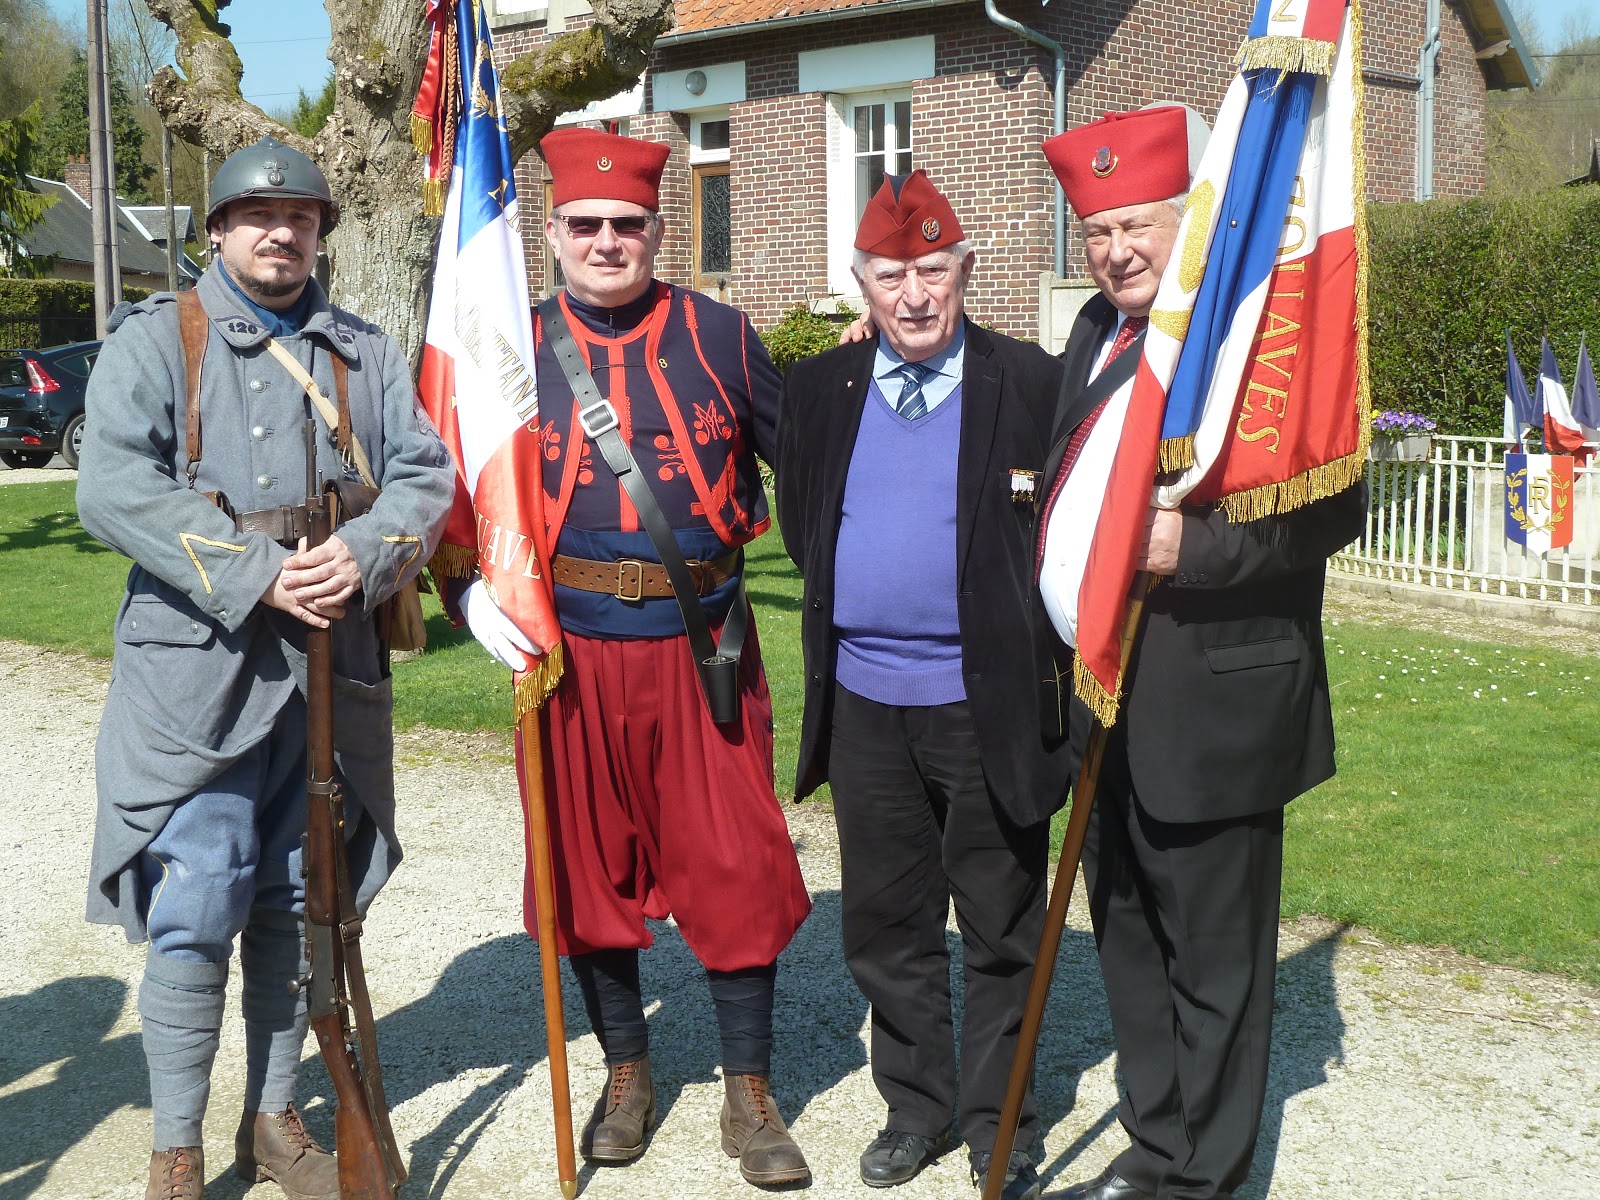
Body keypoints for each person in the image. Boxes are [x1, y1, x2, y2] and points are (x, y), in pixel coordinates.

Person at [78, 136, 455, 1200]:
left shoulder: (363, 349)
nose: (282, 232)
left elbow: (425, 478)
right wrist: (255, 574)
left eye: (302, 218)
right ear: (217, 232)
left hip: (334, 670)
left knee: (306, 898)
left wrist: (369, 553)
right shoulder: (160, 340)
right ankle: (177, 1143)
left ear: (321, 233)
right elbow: (110, 487)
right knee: (199, 901)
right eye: (258, 217)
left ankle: (275, 1115)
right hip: (199, 673)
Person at [453, 126, 813, 1189]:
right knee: (586, 872)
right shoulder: (509, 352)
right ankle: (627, 1074)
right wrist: (467, 584)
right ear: (553, 234)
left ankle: (748, 1093)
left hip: (703, 648)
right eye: (584, 225)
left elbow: (810, 467)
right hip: (569, 659)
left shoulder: (722, 335)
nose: (606, 241)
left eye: (628, 224)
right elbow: (461, 488)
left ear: (660, 230)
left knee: (736, 866)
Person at [1035, 106, 1367, 1200]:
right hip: (1105, 697)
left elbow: (1333, 502)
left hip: (1213, 707)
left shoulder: (1258, 331)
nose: (1118, 250)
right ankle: (1156, 1148)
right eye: (1097, 232)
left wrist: (1197, 543)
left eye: (1137, 223)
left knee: (1216, 970)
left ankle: (1204, 1182)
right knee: (1127, 943)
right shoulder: (1096, 330)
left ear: (1193, 218)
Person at [776, 170, 1074, 1200]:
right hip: (862, 698)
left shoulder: (1029, 382)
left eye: (932, 272)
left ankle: (1002, 1120)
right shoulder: (821, 389)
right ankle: (916, 1106)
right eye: (891, 276)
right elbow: (800, 523)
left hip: (982, 701)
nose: (912, 296)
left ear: (965, 274)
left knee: (998, 920)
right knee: (884, 921)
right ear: (860, 282)